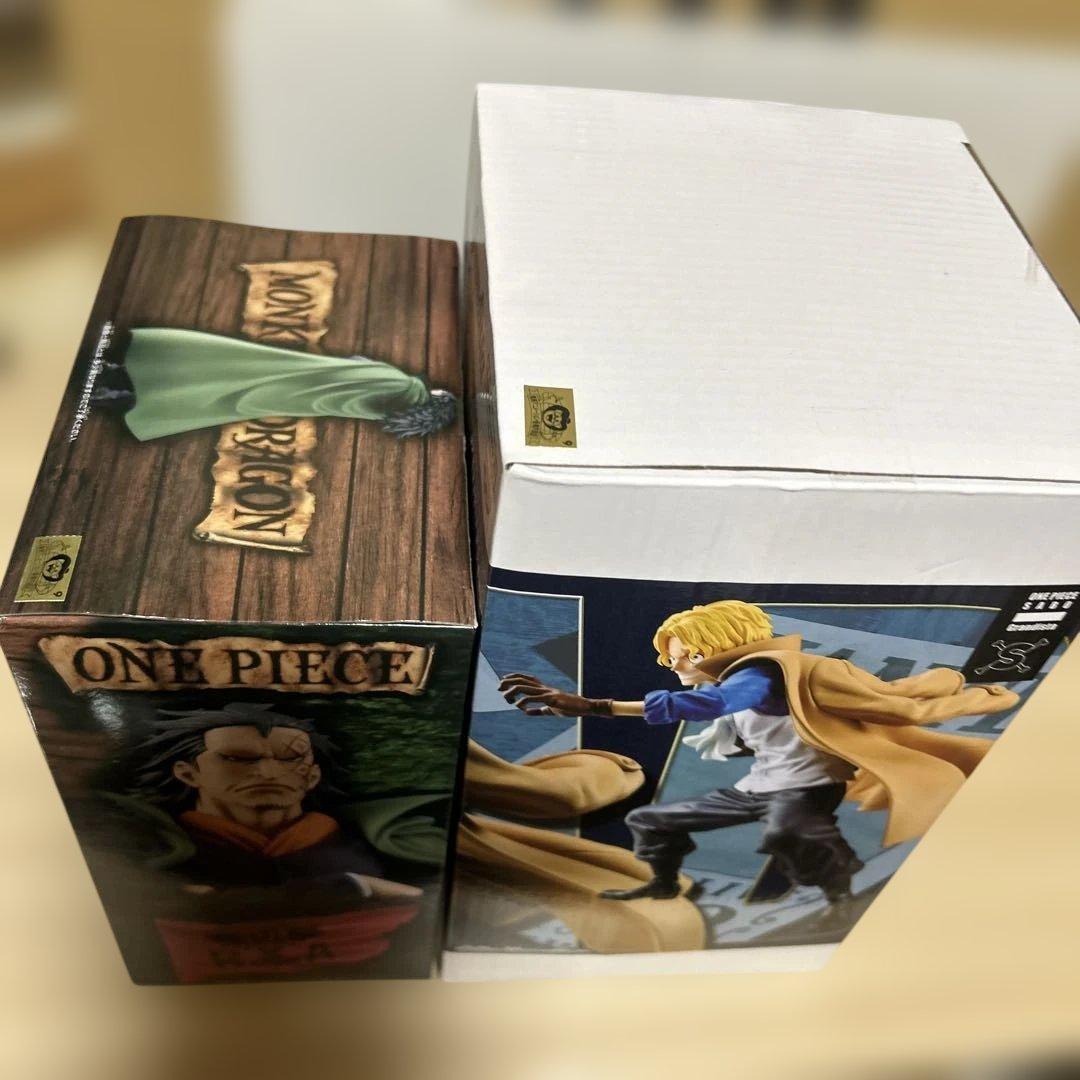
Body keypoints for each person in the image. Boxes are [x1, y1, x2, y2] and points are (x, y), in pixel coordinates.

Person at [500, 600, 1019, 909]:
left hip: (807, 787)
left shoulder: (761, 673)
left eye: (687, 655)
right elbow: (731, 717)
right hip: (763, 785)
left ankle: (842, 896)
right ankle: (662, 886)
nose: (676, 665)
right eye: (672, 658)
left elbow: (714, 703)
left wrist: (593, 705)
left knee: (788, 833)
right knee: (650, 820)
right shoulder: (739, 681)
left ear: (719, 646)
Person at [91, 327, 456, 441]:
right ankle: (124, 393)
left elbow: (355, 370)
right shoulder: (392, 411)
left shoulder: (405, 385)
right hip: (299, 396)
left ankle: (126, 377)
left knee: (225, 368)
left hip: (301, 374)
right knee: (223, 397)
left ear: (437, 399)